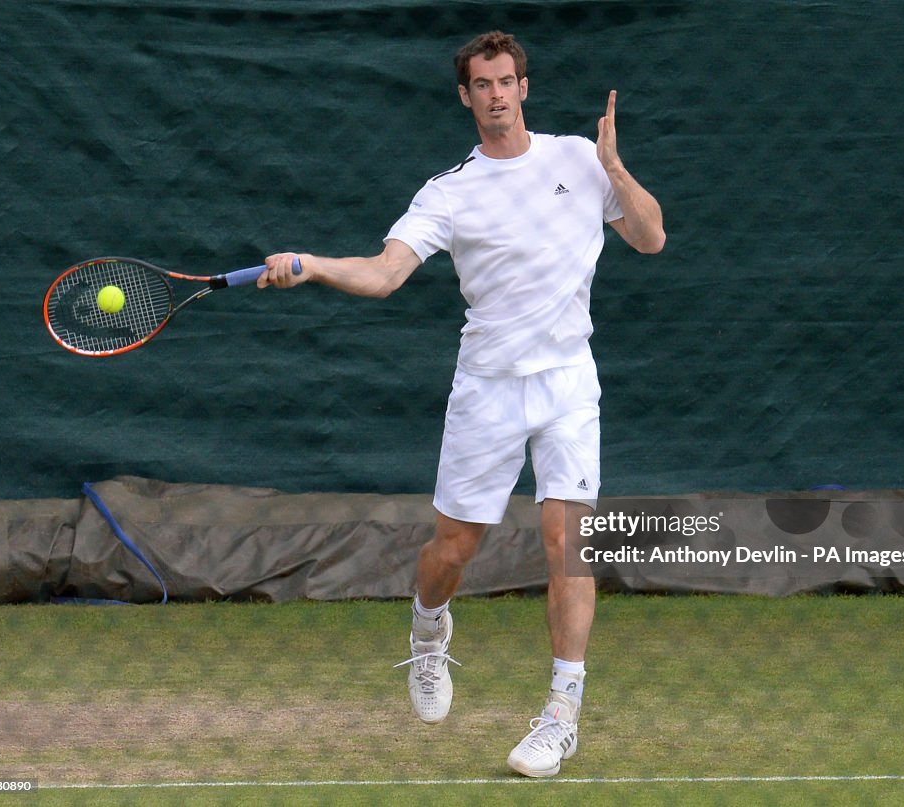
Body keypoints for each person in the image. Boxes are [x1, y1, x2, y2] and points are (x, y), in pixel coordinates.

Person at [257, 31, 665, 778]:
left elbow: (650, 237)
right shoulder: (449, 191)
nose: (498, 94)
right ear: (466, 97)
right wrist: (311, 265)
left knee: (567, 547)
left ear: (524, 87)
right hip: (487, 388)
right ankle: (428, 630)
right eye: (483, 84)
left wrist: (614, 168)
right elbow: (384, 274)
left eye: (508, 81)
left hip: (569, 382)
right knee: (452, 552)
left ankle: (561, 713)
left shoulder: (578, 158)